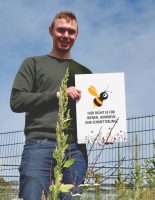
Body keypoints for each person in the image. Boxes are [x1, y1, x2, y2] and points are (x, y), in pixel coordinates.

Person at [10, 11, 91, 200]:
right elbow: (17, 101)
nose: (66, 36)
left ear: (77, 35)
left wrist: (104, 132)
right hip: (39, 144)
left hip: (75, 149)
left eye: (71, 32)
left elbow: (92, 112)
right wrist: (58, 95)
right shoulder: (33, 64)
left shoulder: (85, 73)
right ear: (51, 31)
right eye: (61, 30)